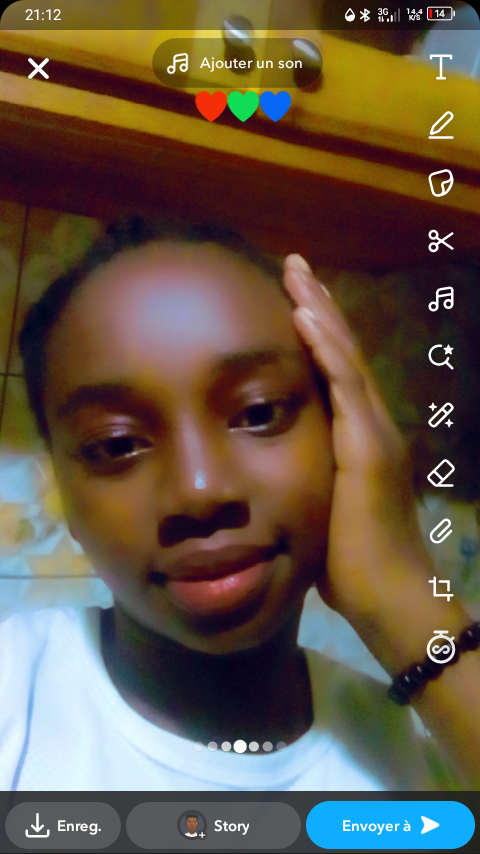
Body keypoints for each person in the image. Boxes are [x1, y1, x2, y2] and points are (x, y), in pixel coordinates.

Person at [1, 216, 479, 791]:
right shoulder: (13, 689)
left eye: (258, 413)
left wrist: (403, 600)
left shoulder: (440, 744)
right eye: (117, 444)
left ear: (345, 434)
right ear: (64, 489)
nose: (200, 490)